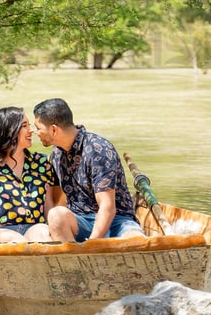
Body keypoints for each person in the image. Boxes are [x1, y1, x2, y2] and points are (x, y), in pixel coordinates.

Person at [32, 98, 145, 242]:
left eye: (38, 128)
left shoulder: (98, 149)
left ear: (54, 129)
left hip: (117, 222)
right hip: (81, 222)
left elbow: (108, 207)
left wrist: (91, 244)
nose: (35, 132)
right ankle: (74, 261)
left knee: (135, 240)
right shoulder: (56, 154)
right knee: (56, 215)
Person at [0, 106, 58, 243]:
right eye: (24, 126)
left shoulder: (42, 163)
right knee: (16, 241)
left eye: (29, 125)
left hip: (35, 226)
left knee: (43, 234)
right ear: (8, 131)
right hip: (2, 231)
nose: (31, 131)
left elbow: (49, 207)